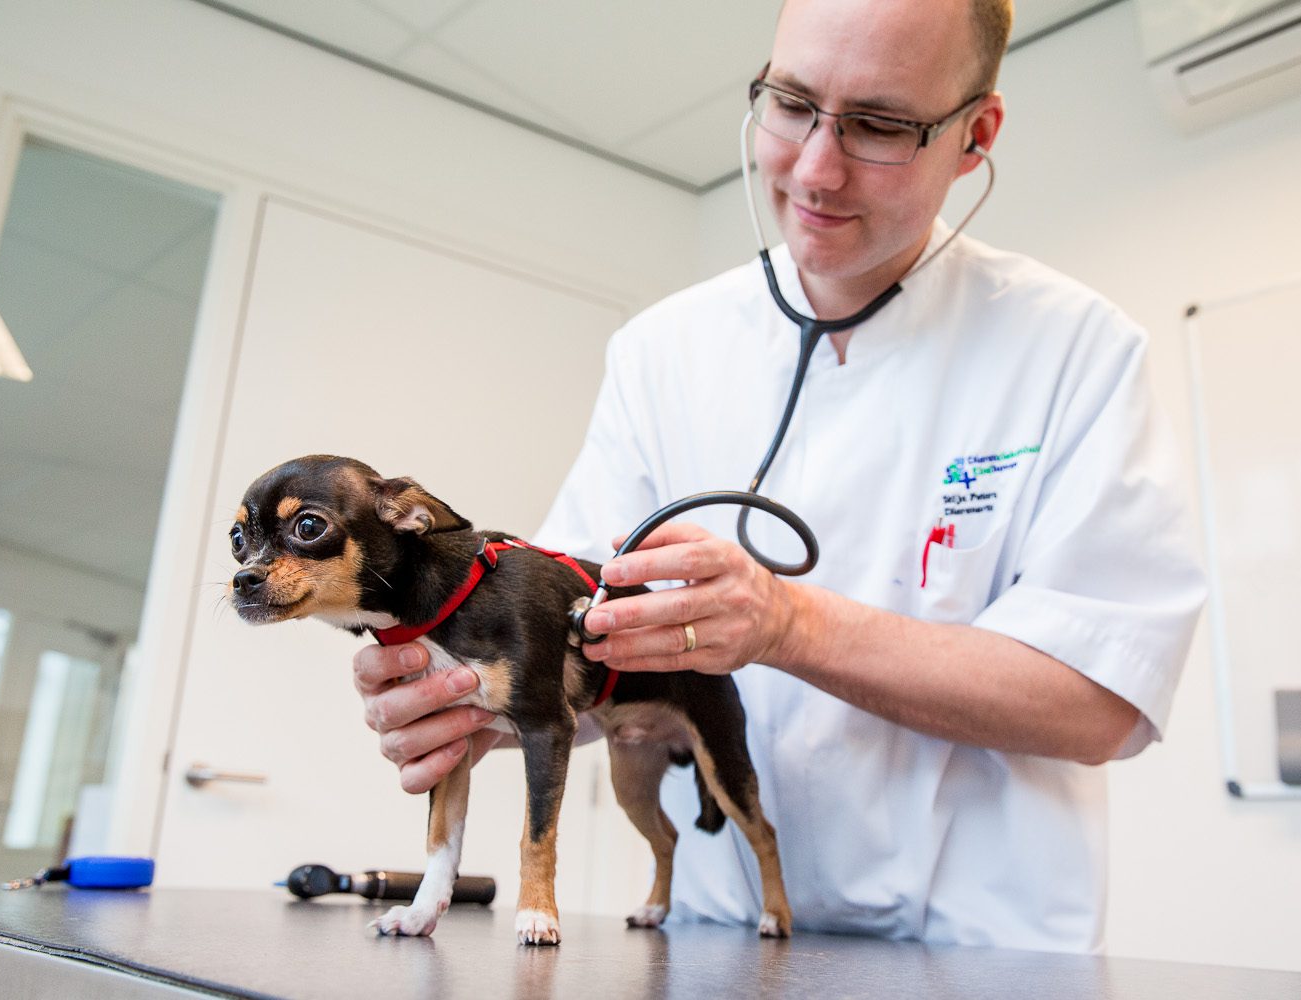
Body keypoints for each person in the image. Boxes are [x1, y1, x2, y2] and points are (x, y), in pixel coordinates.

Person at [353, 0, 1205, 951]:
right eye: (791, 103)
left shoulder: (1074, 353)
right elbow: (581, 655)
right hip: (718, 945)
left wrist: (791, 624)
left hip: (982, 944)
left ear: (975, 136)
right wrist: (467, 704)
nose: (815, 167)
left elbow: (1103, 699)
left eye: (880, 125)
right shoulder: (662, 353)